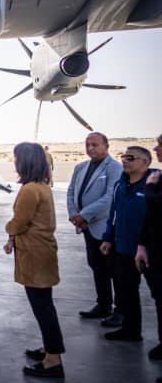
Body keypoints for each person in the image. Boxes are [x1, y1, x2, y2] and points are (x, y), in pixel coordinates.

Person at [4, 142, 64, 378]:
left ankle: (53, 360)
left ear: (26, 161)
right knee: (45, 306)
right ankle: (48, 348)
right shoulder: (42, 186)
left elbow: (19, 222)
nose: (14, 162)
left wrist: (8, 229)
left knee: (43, 309)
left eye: (16, 158)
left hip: (35, 255)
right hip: (42, 252)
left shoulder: (29, 189)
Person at [66, 132, 124, 326]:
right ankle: (103, 305)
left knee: (114, 271)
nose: (90, 148)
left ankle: (120, 310)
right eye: (87, 144)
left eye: (95, 145)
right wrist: (75, 214)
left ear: (106, 147)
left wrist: (84, 216)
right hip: (87, 228)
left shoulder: (114, 167)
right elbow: (71, 192)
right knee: (96, 267)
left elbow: (110, 198)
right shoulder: (80, 167)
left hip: (104, 228)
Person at [99, 146, 153, 342]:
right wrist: (107, 237)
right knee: (127, 291)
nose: (124, 160)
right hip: (123, 248)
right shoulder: (120, 186)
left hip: (149, 250)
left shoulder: (154, 186)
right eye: (123, 156)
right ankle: (131, 331)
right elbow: (113, 214)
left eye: (131, 157)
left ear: (145, 162)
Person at [135, 135, 162, 360]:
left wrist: (151, 190)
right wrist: (142, 245)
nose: (156, 148)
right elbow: (150, 217)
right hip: (154, 250)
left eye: (161, 146)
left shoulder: (154, 181)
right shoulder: (158, 177)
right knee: (159, 299)